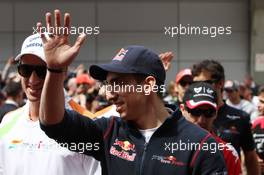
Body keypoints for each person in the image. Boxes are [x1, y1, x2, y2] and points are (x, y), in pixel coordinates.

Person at [38, 10, 227, 175]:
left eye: (118, 83)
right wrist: (54, 70)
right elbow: (53, 124)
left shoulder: (200, 145)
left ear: (148, 85)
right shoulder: (108, 132)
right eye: (108, 84)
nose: (109, 94)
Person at [0, 33, 101, 175]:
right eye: (26, 70)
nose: (33, 80)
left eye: (43, 71)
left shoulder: (86, 124)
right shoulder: (8, 122)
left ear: (63, 71)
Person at [191, 59, 260, 175]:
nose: (200, 88)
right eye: (196, 84)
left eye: (205, 83)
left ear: (220, 83)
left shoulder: (240, 117)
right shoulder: (187, 115)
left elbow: (250, 157)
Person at [180, 82, 242, 175]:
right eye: (196, 111)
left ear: (216, 113)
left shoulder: (228, 152)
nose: (201, 120)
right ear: (182, 109)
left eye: (208, 112)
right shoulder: (166, 144)